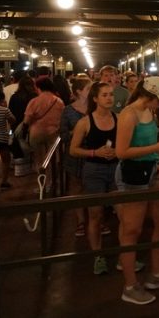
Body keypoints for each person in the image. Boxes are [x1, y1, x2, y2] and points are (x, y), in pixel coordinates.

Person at [115, 76, 159, 305]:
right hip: (133, 174)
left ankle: (157, 273)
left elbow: (149, 139)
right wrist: (157, 148)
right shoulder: (129, 114)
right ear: (149, 96)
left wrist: (157, 161)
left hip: (151, 170)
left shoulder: (149, 113)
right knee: (131, 230)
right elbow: (121, 152)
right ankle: (130, 285)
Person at [70, 81, 119, 275]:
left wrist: (118, 151)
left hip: (115, 168)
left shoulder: (119, 118)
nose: (109, 98)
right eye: (105, 95)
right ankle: (98, 256)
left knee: (123, 212)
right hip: (94, 170)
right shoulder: (85, 122)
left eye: (111, 94)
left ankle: (125, 255)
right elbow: (73, 149)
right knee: (95, 214)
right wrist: (95, 153)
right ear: (96, 99)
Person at [60, 76, 92, 238]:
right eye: (89, 89)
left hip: (94, 152)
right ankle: (80, 220)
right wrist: (79, 131)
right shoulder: (68, 110)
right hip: (75, 153)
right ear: (79, 91)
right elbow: (63, 135)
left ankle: (96, 220)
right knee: (76, 186)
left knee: (94, 186)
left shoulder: (96, 108)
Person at [24, 77, 65, 177]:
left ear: (38, 87)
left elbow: (27, 120)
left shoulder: (34, 101)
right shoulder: (59, 101)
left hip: (36, 133)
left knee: (39, 159)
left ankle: (42, 181)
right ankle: (52, 180)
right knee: (52, 158)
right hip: (54, 133)